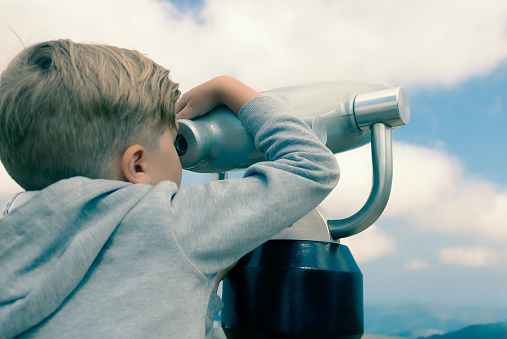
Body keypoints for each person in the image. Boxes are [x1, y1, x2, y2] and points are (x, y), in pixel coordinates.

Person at [0, 39, 339, 338]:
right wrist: (228, 89)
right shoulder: (168, 219)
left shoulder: (11, 235)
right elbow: (312, 165)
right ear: (137, 165)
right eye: (174, 141)